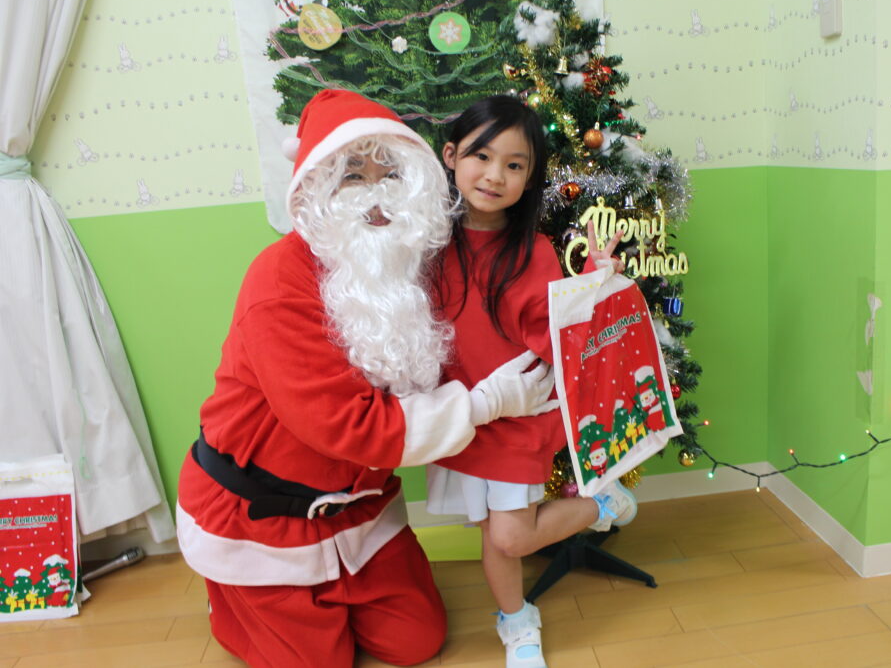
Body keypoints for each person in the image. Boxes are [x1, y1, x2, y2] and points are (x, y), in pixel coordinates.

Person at [175, 89, 559, 668]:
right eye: (353, 176)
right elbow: (349, 426)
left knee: (417, 642)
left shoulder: (404, 260)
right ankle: (232, 594)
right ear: (316, 188)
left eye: (391, 174)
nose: (377, 194)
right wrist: (484, 404)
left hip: (361, 508)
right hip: (266, 516)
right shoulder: (277, 283)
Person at [427, 95, 636, 668]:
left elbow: (558, 334)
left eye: (514, 164)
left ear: (529, 177)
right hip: (463, 416)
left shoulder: (534, 250)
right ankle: (516, 622)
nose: (495, 175)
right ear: (451, 156)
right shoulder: (429, 244)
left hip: (519, 414)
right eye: (482, 156)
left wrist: (595, 282)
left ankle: (600, 504)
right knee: (490, 532)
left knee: (511, 536)